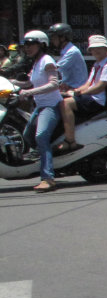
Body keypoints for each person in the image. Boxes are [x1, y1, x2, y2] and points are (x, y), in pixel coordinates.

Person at [16, 30, 60, 192]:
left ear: (42, 45)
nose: (27, 48)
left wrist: (30, 92)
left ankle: (48, 178)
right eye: (25, 45)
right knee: (26, 135)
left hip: (51, 106)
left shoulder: (47, 61)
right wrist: (10, 83)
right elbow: (28, 83)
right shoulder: (36, 63)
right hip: (40, 106)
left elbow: (54, 84)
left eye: (31, 45)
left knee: (41, 136)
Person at [58, 32, 107, 146]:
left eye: (99, 48)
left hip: (98, 101)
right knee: (63, 97)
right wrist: (75, 91)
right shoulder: (96, 65)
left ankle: (70, 140)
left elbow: (99, 87)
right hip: (92, 97)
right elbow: (88, 84)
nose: (96, 51)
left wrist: (80, 93)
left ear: (106, 49)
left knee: (65, 104)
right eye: (93, 49)